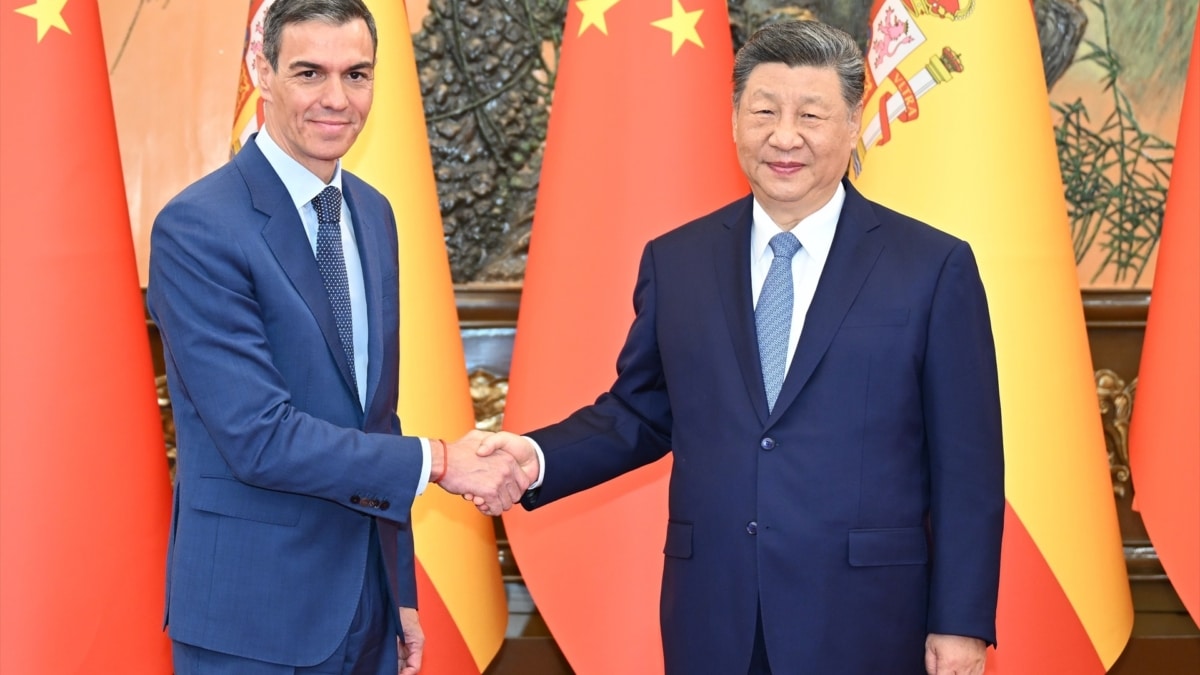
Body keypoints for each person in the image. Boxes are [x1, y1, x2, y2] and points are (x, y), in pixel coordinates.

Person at [478, 19, 1004, 675]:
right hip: (715, 615)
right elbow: (641, 413)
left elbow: (967, 464)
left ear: (852, 124)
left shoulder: (932, 266)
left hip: (868, 618)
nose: (784, 136)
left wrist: (960, 622)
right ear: (733, 121)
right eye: (764, 112)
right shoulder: (678, 260)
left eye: (811, 115)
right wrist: (533, 457)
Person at [146, 1, 531, 672]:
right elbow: (259, 437)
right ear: (261, 71)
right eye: (309, 73)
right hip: (252, 618)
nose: (336, 98)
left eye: (356, 74)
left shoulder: (373, 214)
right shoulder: (198, 228)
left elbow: (374, 418)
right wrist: (442, 461)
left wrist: (397, 590)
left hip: (366, 609)